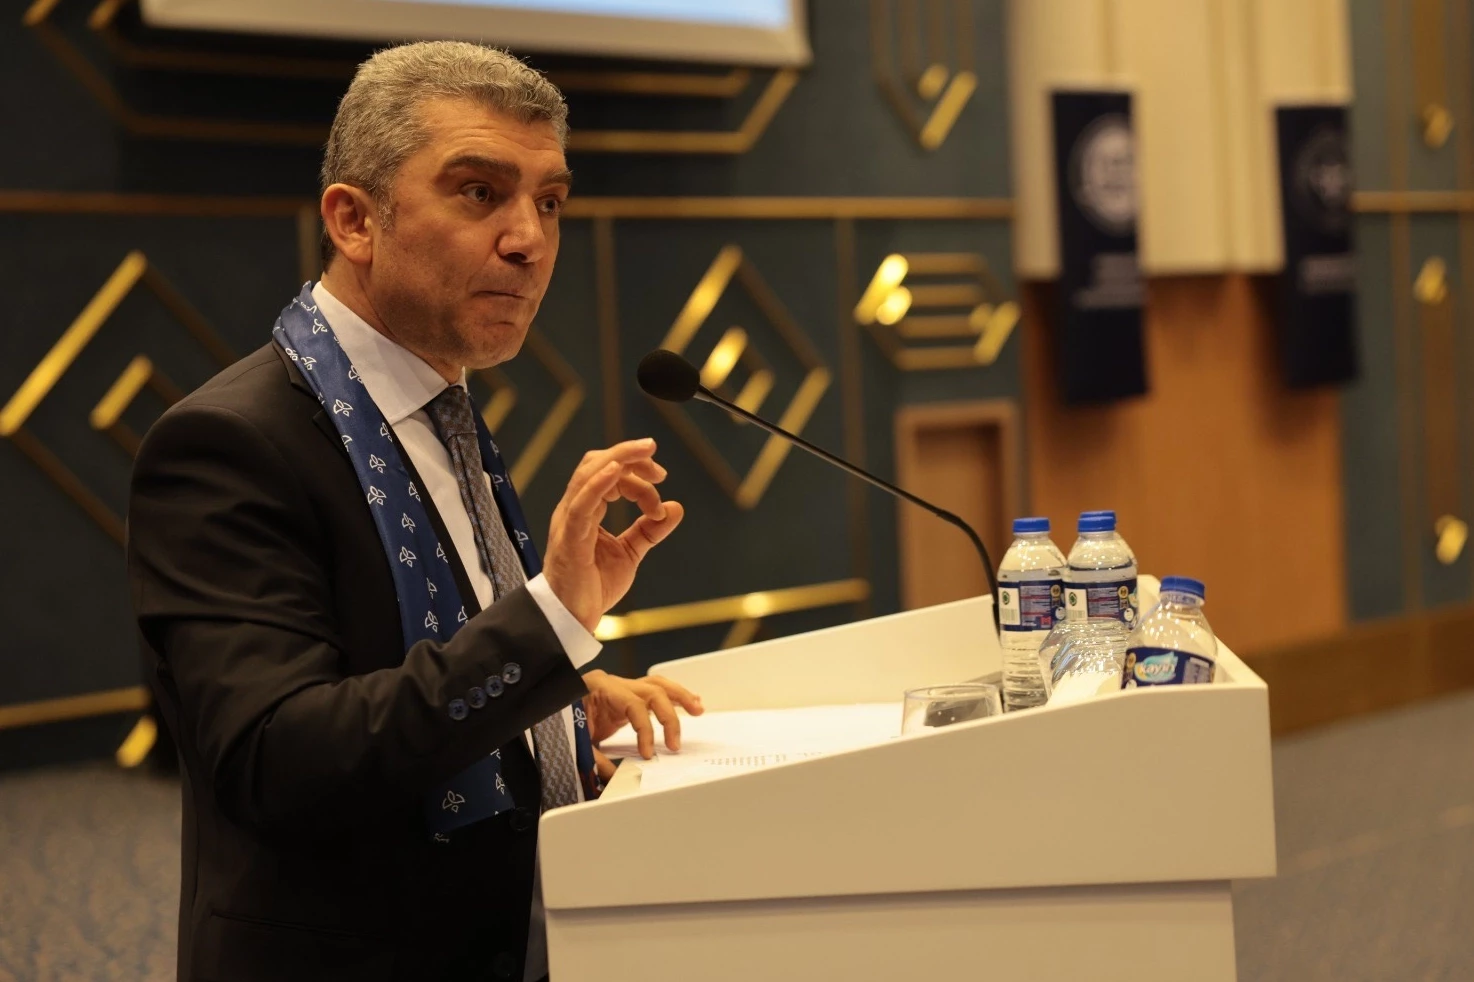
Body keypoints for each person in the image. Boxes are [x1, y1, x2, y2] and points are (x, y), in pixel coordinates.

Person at [127, 40, 699, 982]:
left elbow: (410, 652)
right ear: (355, 220)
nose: (529, 239)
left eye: (550, 202)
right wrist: (551, 625)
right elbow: (277, 760)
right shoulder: (227, 445)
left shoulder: (443, 407)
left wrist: (559, 704)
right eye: (480, 192)